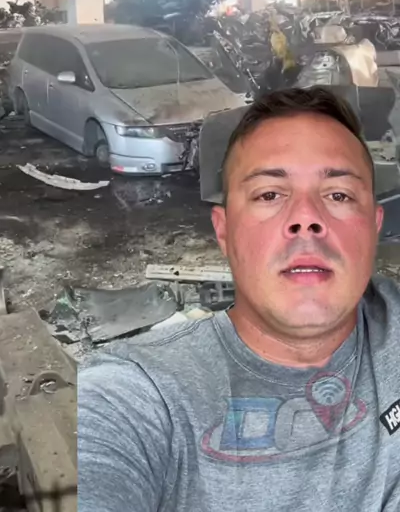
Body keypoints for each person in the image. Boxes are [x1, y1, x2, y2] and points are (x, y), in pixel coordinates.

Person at [78, 86, 400, 511]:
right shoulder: (138, 395)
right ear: (224, 231)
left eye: (338, 195)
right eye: (270, 194)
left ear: (374, 225)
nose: (306, 218)